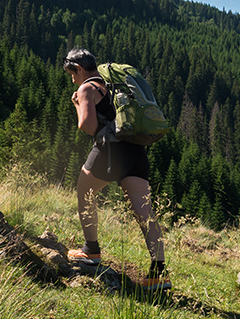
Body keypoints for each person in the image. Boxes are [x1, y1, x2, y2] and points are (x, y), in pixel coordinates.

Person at [62, 48, 169, 291]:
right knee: (145, 212)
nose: (72, 79)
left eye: (71, 73)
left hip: (110, 153)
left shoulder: (87, 88)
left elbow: (87, 126)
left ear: (79, 69)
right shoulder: (112, 86)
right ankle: (159, 273)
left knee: (85, 190)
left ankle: (91, 251)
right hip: (136, 151)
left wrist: (78, 104)